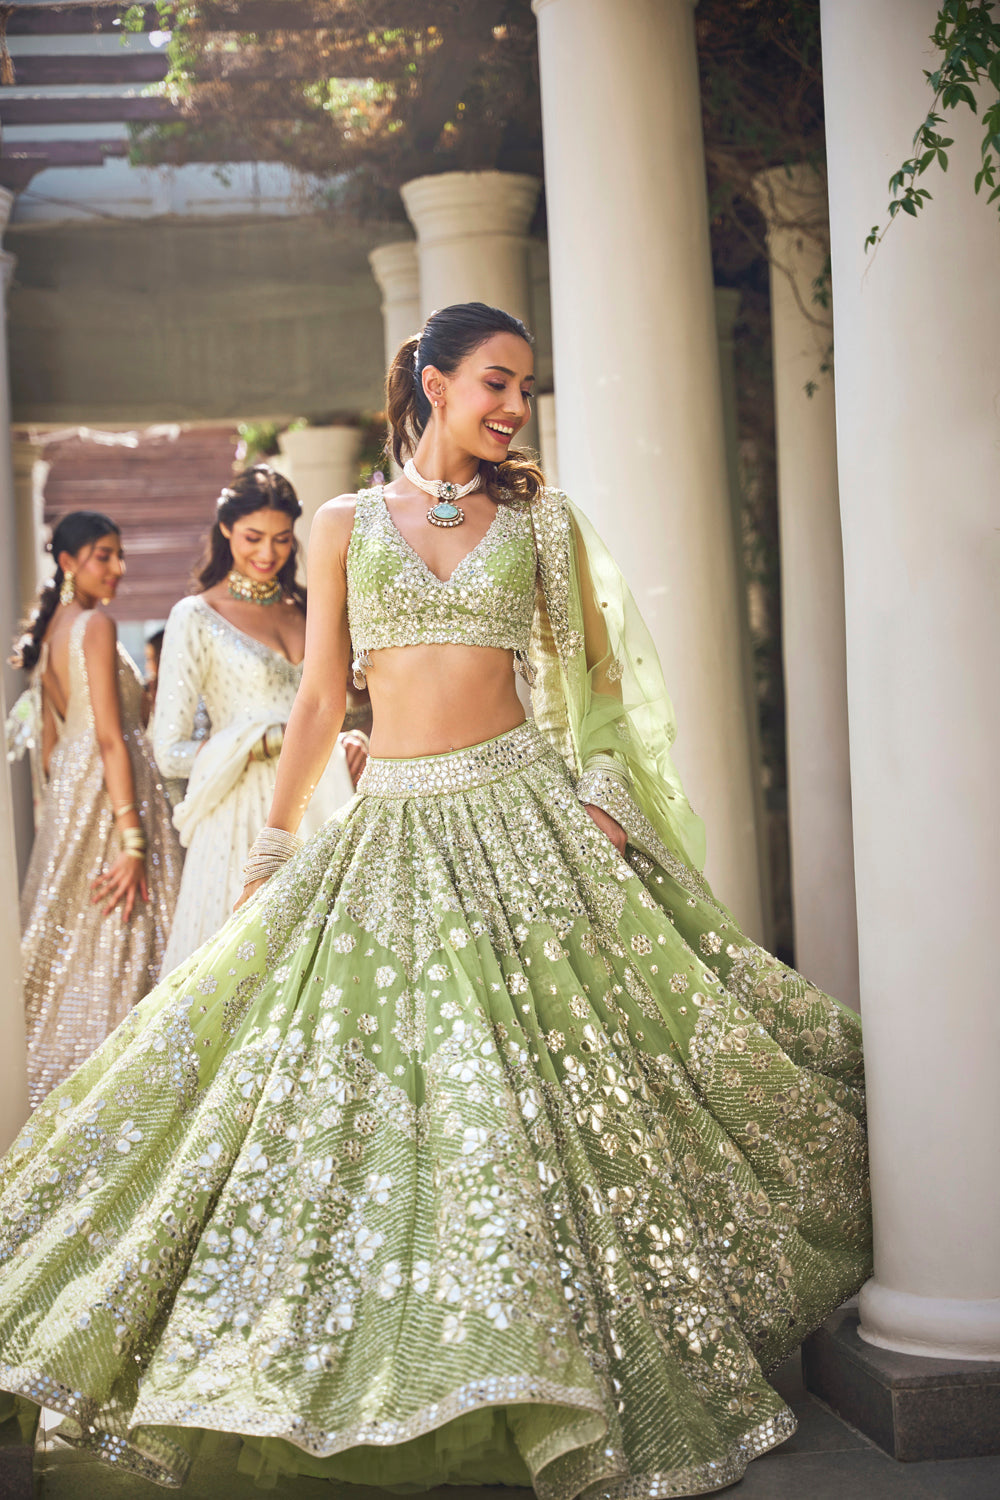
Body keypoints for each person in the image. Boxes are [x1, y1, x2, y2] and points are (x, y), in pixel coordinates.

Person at [0, 306, 870, 1496]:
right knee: (373, 1091)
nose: (514, 405)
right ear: (434, 381)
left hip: (525, 814)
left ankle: (571, 1361)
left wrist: (606, 792)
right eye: (496, 382)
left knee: (574, 1088)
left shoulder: (541, 520)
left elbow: (592, 680)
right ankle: (406, 1366)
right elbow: (318, 702)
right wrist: (271, 843)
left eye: (525, 386)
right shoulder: (342, 524)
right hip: (394, 827)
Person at [151, 464, 367, 969]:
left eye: (282, 540)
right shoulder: (195, 616)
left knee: (330, 965)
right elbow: (170, 752)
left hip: (325, 798)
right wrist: (263, 739)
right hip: (238, 823)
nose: (267, 554)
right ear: (226, 530)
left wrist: (352, 741)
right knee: (238, 968)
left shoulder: (311, 609)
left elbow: (333, 703)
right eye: (253, 537)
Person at [5, 511, 182, 1112]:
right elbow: (110, 736)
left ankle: (61, 1084)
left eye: (118, 554)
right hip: (113, 800)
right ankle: (111, 1094)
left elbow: (55, 751)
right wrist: (132, 841)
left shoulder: (52, 630)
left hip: (76, 800)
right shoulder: (97, 625)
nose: (118, 567)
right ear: (68, 562)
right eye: (104, 555)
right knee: (124, 930)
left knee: (76, 942)